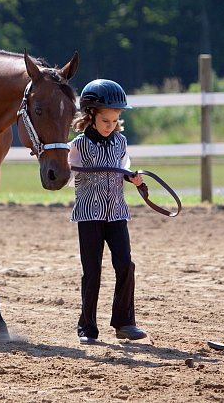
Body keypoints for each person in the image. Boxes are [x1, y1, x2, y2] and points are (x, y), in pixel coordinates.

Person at [68, 79, 148, 343]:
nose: (110, 127)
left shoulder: (120, 142)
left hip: (116, 213)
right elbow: (69, 175)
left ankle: (125, 322)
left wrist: (133, 179)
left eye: (115, 122)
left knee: (125, 264)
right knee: (92, 271)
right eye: (106, 121)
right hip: (89, 214)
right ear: (90, 116)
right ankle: (87, 327)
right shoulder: (78, 145)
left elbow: (124, 167)